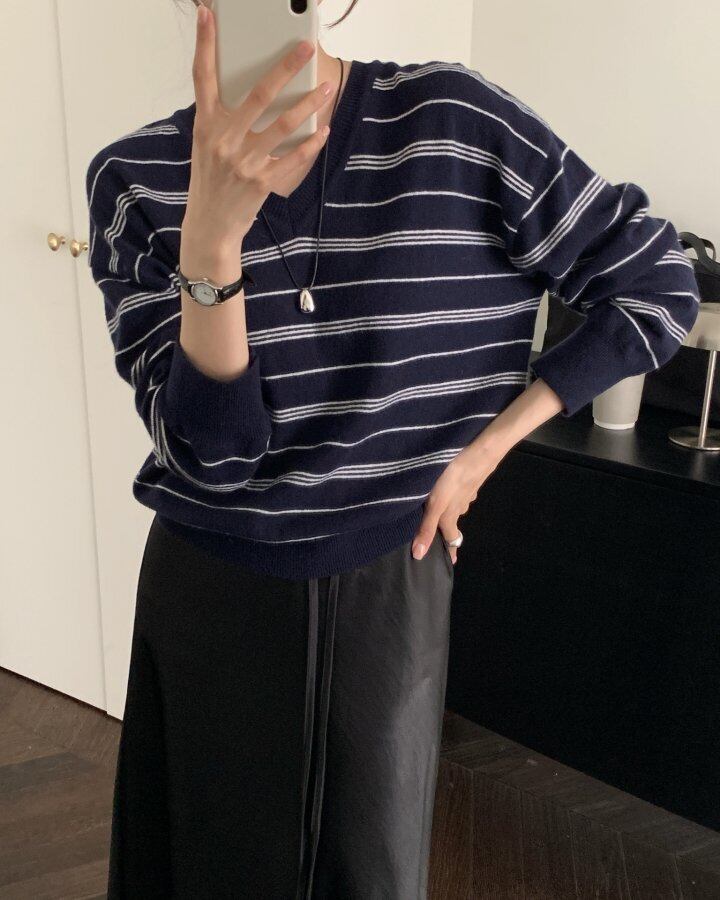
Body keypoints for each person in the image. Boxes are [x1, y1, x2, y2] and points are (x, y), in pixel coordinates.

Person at [85, 0, 700, 896]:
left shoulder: (455, 122)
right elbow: (213, 455)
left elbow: (655, 283)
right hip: (213, 594)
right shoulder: (133, 179)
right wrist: (212, 242)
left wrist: (487, 449)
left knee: (369, 875)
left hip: (393, 581)